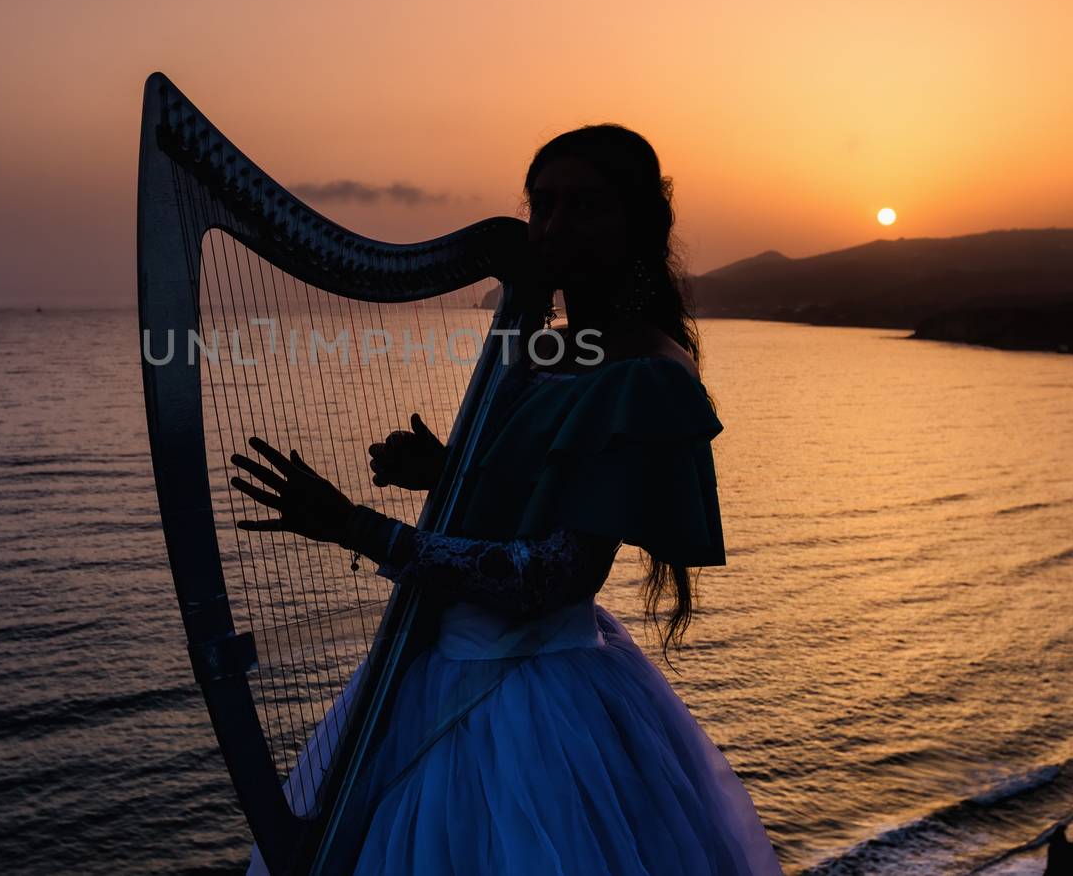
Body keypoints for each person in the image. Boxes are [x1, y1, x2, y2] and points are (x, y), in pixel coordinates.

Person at [229, 125, 784, 875]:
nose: (554, 227)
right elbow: (545, 481)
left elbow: (556, 571)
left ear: (639, 223)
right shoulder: (545, 343)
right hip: (437, 659)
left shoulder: (649, 375)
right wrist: (450, 468)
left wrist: (357, 527)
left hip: (532, 695)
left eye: (584, 205)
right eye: (543, 205)